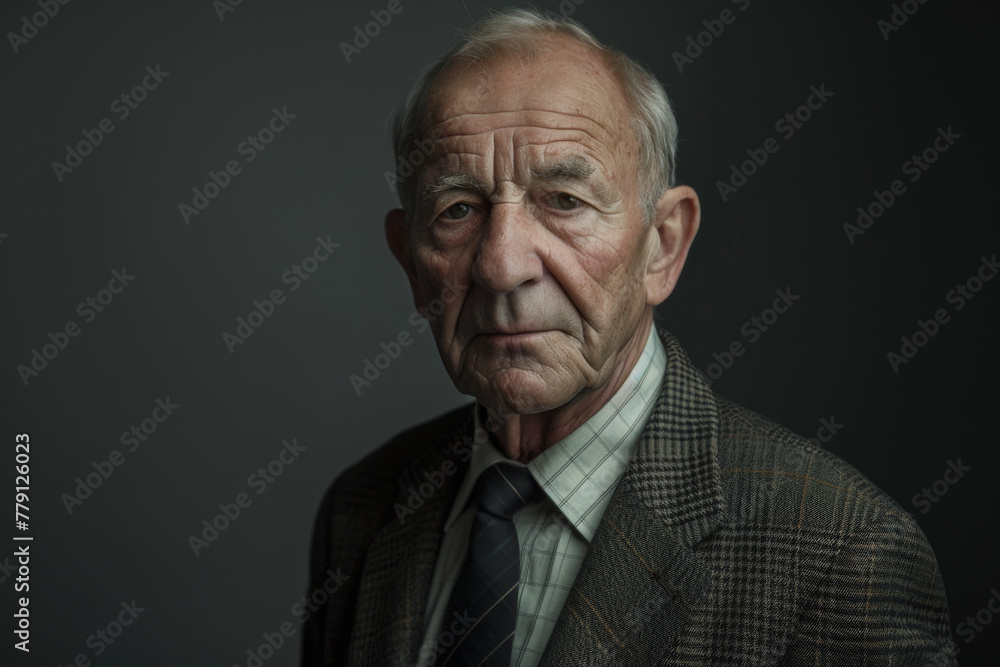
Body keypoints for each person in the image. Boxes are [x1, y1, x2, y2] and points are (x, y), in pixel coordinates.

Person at [302, 7, 955, 666]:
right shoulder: (363, 508)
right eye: (458, 210)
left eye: (564, 201)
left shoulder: (843, 553)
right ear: (410, 261)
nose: (501, 265)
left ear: (662, 247)